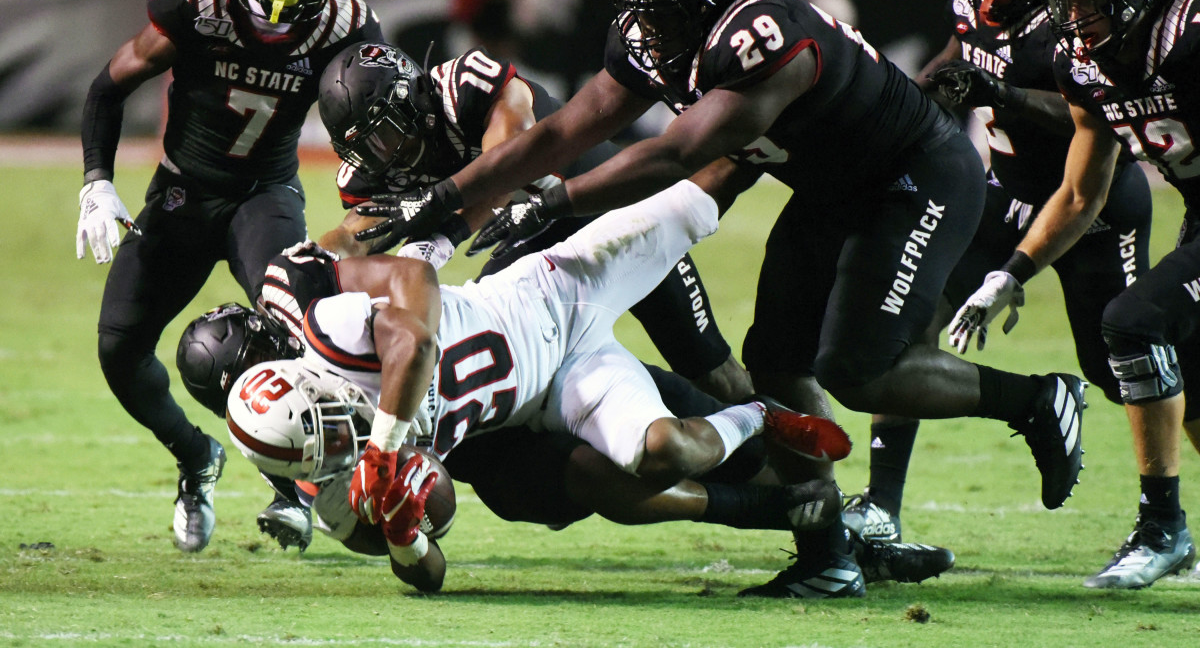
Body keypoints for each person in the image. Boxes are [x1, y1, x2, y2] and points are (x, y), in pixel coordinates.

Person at [343, 0, 1087, 598]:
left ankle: (1036, 399)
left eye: (665, 13)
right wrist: (444, 200)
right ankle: (826, 552)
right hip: (827, 185)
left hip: (913, 176)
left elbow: (680, 150)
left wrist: (554, 202)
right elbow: (562, 132)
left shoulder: (764, 33)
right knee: (775, 365)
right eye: (640, 10)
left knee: (858, 369)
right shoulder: (655, 32)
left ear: (711, 0)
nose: (648, 30)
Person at [199, 177, 952, 592]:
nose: (340, 435)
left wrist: (386, 441)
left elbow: (415, 308)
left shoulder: (332, 330)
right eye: (328, 446)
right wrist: (404, 534)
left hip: (557, 287)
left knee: (698, 194)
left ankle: (860, 141)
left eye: (330, 419)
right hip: (559, 386)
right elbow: (433, 555)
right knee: (659, 452)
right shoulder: (320, 478)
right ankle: (759, 415)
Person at [75, 0, 383, 553]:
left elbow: (369, 120)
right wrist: (97, 184)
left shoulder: (344, 26)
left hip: (263, 197)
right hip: (183, 194)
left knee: (304, 341)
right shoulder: (197, 1)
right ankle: (195, 457)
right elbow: (108, 86)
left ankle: (296, 491)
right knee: (118, 349)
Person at [842, 0, 1154, 543]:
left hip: (1089, 208)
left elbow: (1093, 118)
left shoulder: (1077, 18)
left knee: (1124, 366)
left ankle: (1164, 516)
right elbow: (960, 55)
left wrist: (1004, 94)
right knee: (911, 322)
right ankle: (880, 502)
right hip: (1002, 195)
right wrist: (911, 101)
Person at [950, 0, 1200, 589]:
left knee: (1133, 321)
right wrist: (1011, 271)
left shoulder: (1190, 35)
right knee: (1188, 370)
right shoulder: (1082, 60)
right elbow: (1081, 192)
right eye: (1064, 1)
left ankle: (1162, 530)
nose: (1076, 17)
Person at [316, 40, 754, 404]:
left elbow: (511, 165)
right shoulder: (370, 171)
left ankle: (785, 451)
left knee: (709, 368)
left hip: (609, 213)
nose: (378, 155)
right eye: (363, 148)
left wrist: (446, 236)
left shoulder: (464, 86)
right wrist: (308, 266)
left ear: (411, 100)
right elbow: (353, 234)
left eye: (383, 133)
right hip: (528, 243)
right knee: (508, 360)